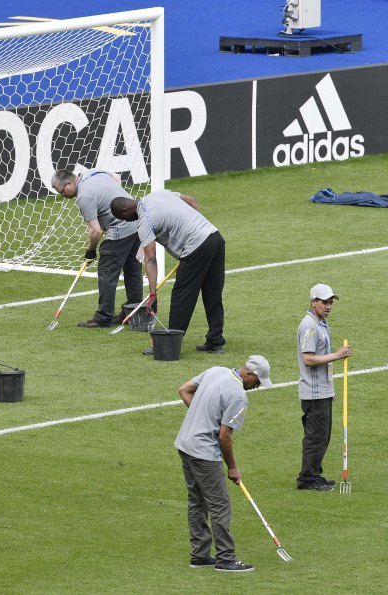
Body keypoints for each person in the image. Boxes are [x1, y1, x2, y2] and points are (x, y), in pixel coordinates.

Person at [175, 355, 273, 573]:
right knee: (220, 505)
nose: (256, 388)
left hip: (185, 444)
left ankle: (199, 555)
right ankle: (226, 558)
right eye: (256, 382)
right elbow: (224, 436)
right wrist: (232, 467)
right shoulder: (238, 396)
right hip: (203, 453)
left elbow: (184, 389)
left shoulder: (216, 370)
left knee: (197, 502)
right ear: (248, 374)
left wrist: (201, 416)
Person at [110, 190, 226, 355]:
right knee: (212, 294)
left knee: (181, 296)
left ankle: (169, 344)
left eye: (125, 219)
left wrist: (152, 293)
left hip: (195, 247)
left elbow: (151, 259)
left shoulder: (144, 221)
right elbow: (192, 201)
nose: (129, 221)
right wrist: (198, 229)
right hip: (214, 237)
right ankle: (215, 342)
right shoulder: (158, 194)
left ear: (125, 211)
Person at [51, 168, 143, 327]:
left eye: (62, 192)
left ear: (69, 183)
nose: (63, 196)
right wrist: (115, 203)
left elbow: (95, 231)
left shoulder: (84, 196)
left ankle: (103, 317)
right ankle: (133, 311)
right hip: (137, 223)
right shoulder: (92, 172)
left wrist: (91, 251)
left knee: (106, 272)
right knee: (133, 269)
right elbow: (117, 177)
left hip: (120, 230)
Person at [296, 283, 352, 491]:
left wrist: (330, 387)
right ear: (313, 302)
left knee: (323, 435)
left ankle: (314, 474)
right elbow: (309, 359)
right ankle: (307, 479)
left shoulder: (320, 323)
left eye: (330, 302)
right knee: (316, 436)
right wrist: (338, 355)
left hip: (322, 390)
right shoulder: (310, 326)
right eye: (324, 302)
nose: (328, 306)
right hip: (314, 392)